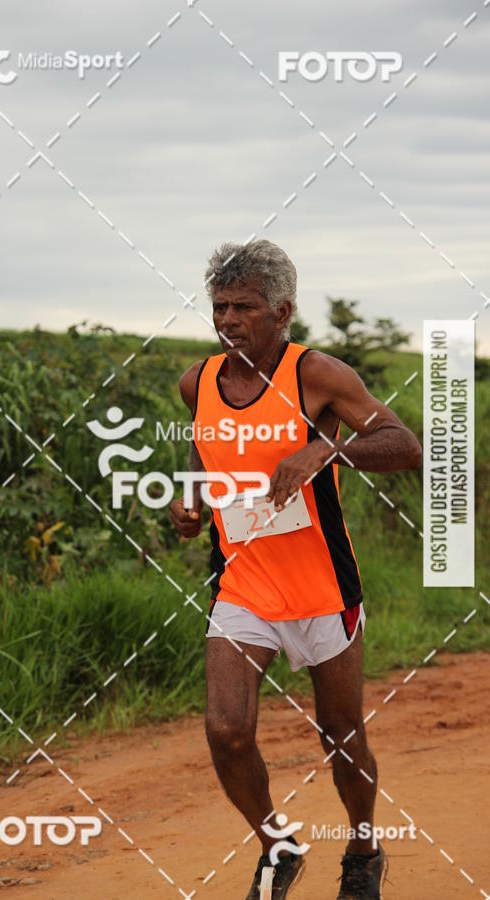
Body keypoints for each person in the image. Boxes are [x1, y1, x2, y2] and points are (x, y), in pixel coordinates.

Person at [169, 240, 422, 899]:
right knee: (226, 731)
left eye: (244, 307)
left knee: (340, 738)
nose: (228, 320)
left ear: (282, 311)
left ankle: (362, 851)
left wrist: (326, 452)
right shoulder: (197, 380)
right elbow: (205, 445)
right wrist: (191, 500)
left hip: (321, 590)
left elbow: (403, 446)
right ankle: (278, 847)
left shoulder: (317, 376)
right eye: (219, 306)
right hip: (243, 585)